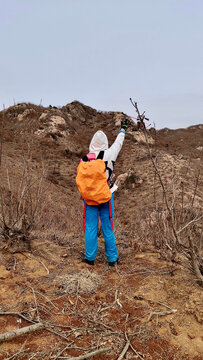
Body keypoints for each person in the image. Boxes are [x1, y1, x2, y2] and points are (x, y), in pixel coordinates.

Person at [82, 119, 130, 266]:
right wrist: (123, 129)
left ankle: (90, 258)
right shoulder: (109, 154)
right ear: (104, 143)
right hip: (106, 196)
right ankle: (112, 259)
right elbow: (118, 143)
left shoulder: (85, 159)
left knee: (90, 227)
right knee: (108, 227)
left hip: (89, 198)